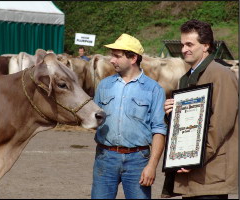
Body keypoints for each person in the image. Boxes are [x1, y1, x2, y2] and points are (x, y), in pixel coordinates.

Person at [161, 19, 238, 199]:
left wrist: (195, 157)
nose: (183, 49)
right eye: (182, 44)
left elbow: (221, 124)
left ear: (205, 46)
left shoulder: (222, 74)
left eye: (189, 44)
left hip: (210, 174)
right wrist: (170, 114)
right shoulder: (185, 78)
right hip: (188, 173)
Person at [91, 33, 167, 199]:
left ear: (133, 58)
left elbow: (159, 130)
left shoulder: (154, 89)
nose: (112, 60)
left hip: (138, 160)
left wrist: (152, 166)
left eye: (117, 56)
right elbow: (93, 119)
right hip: (105, 157)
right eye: (113, 55)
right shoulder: (104, 85)